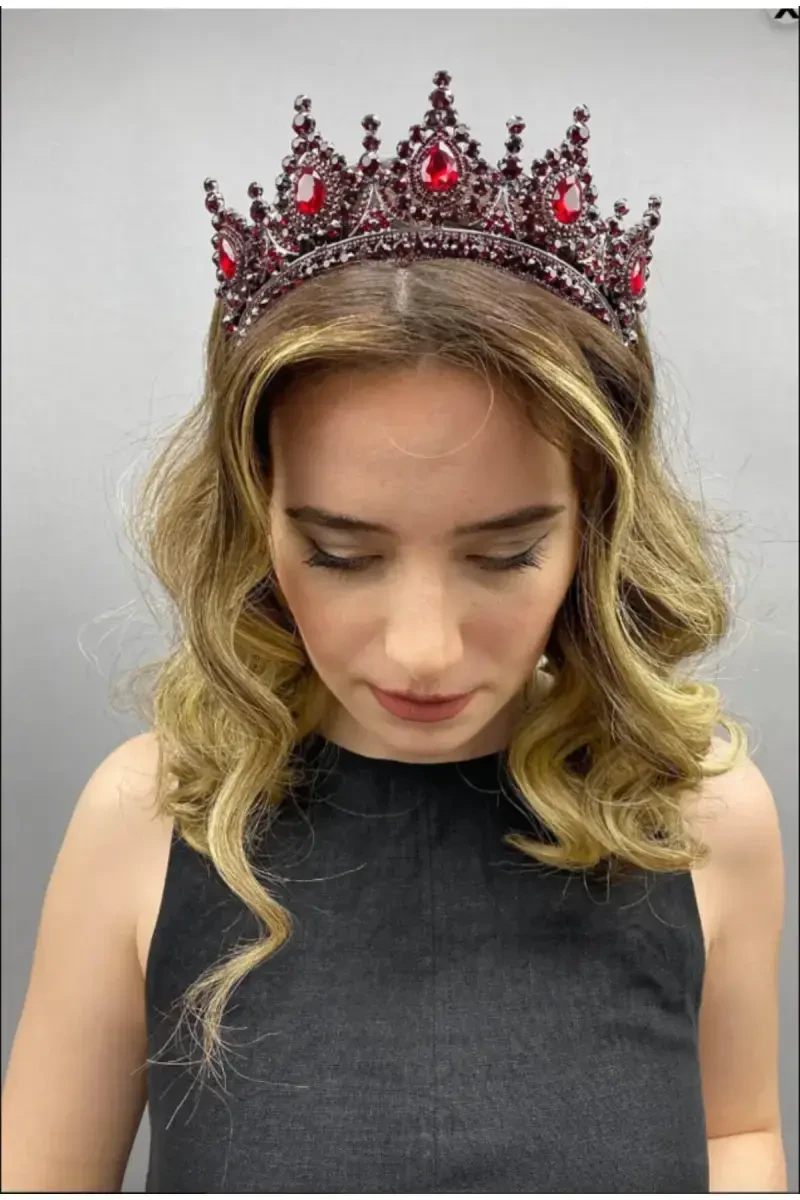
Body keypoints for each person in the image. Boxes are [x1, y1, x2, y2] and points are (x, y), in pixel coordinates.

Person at [2, 71, 787, 1193]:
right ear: (256, 516)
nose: (423, 650)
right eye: (341, 553)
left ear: (594, 528)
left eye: (504, 554)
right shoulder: (149, 818)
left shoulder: (703, 817)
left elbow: (735, 1134)